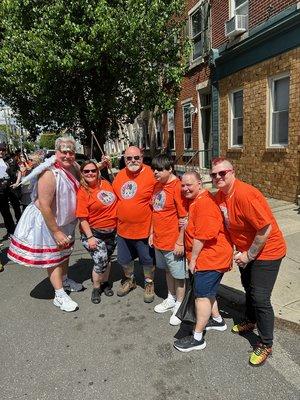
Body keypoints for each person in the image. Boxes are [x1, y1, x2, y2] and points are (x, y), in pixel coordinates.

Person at [211, 157, 286, 366]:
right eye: (214, 174)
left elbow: (265, 229)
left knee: (261, 297)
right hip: (246, 250)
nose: (218, 177)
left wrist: (248, 255)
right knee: (248, 288)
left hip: (268, 251)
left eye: (222, 173)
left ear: (232, 172)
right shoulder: (220, 196)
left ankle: (265, 343)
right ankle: (251, 321)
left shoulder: (245, 194)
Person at [8, 136, 83, 312]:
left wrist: (100, 167)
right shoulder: (49, 173)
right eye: (63, 152)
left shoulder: (74, 166)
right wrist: (56, 231)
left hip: (66, 220)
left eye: (70, 152)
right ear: (56, 153)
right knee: (54, 257)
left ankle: (64, 280)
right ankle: (59, 294)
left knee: (65, 252)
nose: (67, 155)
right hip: (49, 221)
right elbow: (44, 206)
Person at [174, 171, 233, 352]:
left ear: (200, 183)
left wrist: (193, 260)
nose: (185, 188)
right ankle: (217, 320)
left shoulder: (205, 203)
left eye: (189, 185)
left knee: (201, 296)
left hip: (211, 257)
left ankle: (198, 338)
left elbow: (203, 236)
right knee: (208, 292)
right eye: (182, 185)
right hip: (210, 256)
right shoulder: (199, 200)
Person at [112, 146, 156, 303]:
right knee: (124, 260)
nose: (133, 161)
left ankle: (149, 283)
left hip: (144, 229)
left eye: (136, 157)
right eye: (129, 158)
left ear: (142, 157)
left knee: (147, 261)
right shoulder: (120, 175)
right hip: (123, 229)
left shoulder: (152, 174)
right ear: (124, 159)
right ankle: (130, 280)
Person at [150, 155, 188, 325]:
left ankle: (180, 305)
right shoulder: (157, 186)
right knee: (166, 271)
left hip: (173, 242)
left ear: (170, 169)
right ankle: (171, 298)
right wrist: (152, 233)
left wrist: (180, 241)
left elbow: (184, 217)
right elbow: (155, 211)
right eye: (154, 169)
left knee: (179, 275)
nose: (155, 172)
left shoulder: (177, 187)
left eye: (159, 169)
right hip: (159, 239)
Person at [76, 160, 117, 304]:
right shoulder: (82, 191)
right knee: (100, 261)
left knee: (108, 259)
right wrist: (90, 237)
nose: (90, 173)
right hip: (94, 233)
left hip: (112, 231)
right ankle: (96, 288)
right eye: (86, 171)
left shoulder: (105, 184)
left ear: (98, 171)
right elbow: (82, 217)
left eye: (93, 170)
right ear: (82, 174)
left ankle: (105, 283)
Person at [0, 144, 16, 238]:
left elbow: (13, 174)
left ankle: (11, 231)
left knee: (6, 212)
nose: (1, 151)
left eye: (2, 150)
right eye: (0, 150)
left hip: (5, 191)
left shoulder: (8, 161)